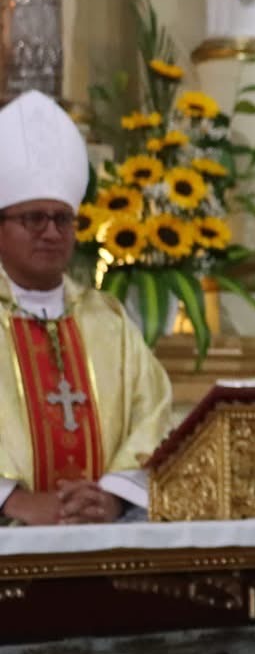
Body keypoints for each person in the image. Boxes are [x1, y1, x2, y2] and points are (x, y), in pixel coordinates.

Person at [0, 91, 172, 526]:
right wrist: (14, 501)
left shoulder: (107, 321)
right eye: (33, 218)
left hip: (103, 538)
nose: (51, 232)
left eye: (63, 219)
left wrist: (112, 497)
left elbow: (151, 417)